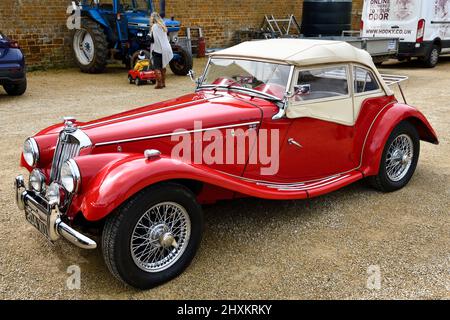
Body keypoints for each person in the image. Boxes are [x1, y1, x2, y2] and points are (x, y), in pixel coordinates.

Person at [148, 12, 173, 89]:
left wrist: (148, 36)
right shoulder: (163, 25)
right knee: (163, 67)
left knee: (157, 67)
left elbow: (152, 40)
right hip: (166, 48)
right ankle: (163, 83)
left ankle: (159, 84)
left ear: (153, 18)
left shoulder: (154, 27)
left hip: (158, 49)